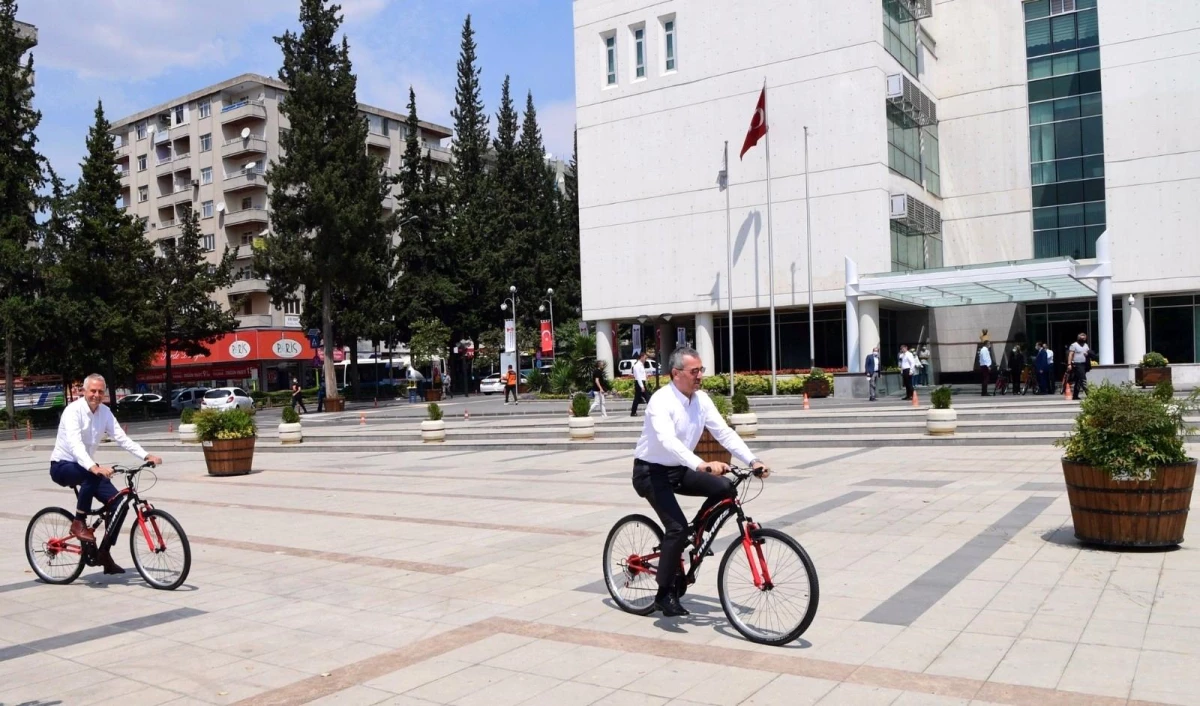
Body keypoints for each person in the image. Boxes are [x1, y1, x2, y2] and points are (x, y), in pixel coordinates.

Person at [631, 347, 771, 617]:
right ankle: (664, 594)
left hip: (680, 468)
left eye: (701, 370)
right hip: (650, 471)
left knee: (726, 487)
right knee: (676, 528)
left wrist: (753, 460)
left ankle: (695, 534)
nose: (700, 376)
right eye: (694, 371)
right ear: (676, 373)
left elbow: (724, 433)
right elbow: (668, 441)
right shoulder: (660, 401)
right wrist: (701, 464)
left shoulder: (702, 400)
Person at [49, 374, 163, 575]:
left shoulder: (105, 412)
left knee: (119, 503)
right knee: (92, 475)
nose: (96, 395)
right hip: (63, 466)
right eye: (92, 390)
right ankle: (78, 523)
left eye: (100, 391)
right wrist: (94, 467)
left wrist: (146, 455)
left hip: (87, 467)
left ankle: (103, 552)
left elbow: (122, 438)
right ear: (83, 391)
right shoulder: (72, 411)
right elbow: (75, 446)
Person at [1068, 333, 1092, 400]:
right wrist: (1069, 364)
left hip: (1084, 364)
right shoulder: (1074, 345)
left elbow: (1088, 352)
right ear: (1078, 338)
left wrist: (1087, 354)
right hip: (1077, 364)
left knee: (1078, 380)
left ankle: (1075, 396)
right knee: (1083, 379)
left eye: (1084, 338)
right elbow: (1070, 355)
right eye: (1082, 338)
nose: (1083, 339)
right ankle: (1089, 394)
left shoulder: (1086, 345)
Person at [630, 350, 649, 417]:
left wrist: (645, 376)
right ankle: (633, 412)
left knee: (647, 397)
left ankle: (633, 412)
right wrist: (642, 386)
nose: (645, 359)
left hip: (641, 383)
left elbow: (641, 374)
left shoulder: (641, 365)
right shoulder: (637, 365)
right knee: (638, 398)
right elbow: (638, 376)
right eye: (645, 358)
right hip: (639, 383)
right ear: (641, 357)